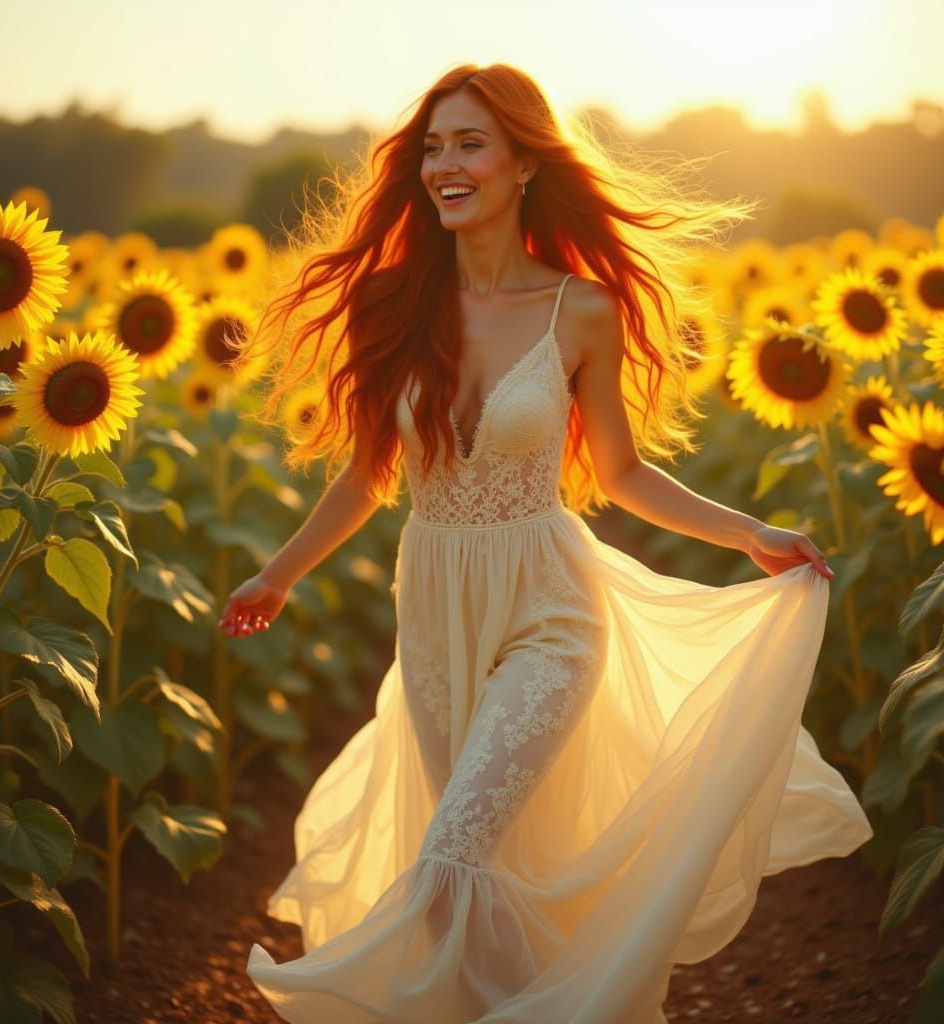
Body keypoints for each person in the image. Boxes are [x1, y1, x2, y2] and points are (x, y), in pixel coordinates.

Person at [218, 63, 872, 1024]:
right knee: (482, 875)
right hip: (435, 607)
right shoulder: (394, 306)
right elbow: (367, 478)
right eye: (433, 146)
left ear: (525, 162)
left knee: (452, 854)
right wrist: (276, 575)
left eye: (469, 143)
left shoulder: (583, 310)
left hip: (549, 609)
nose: (445, 163)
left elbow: (622, 476)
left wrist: (749, 533)